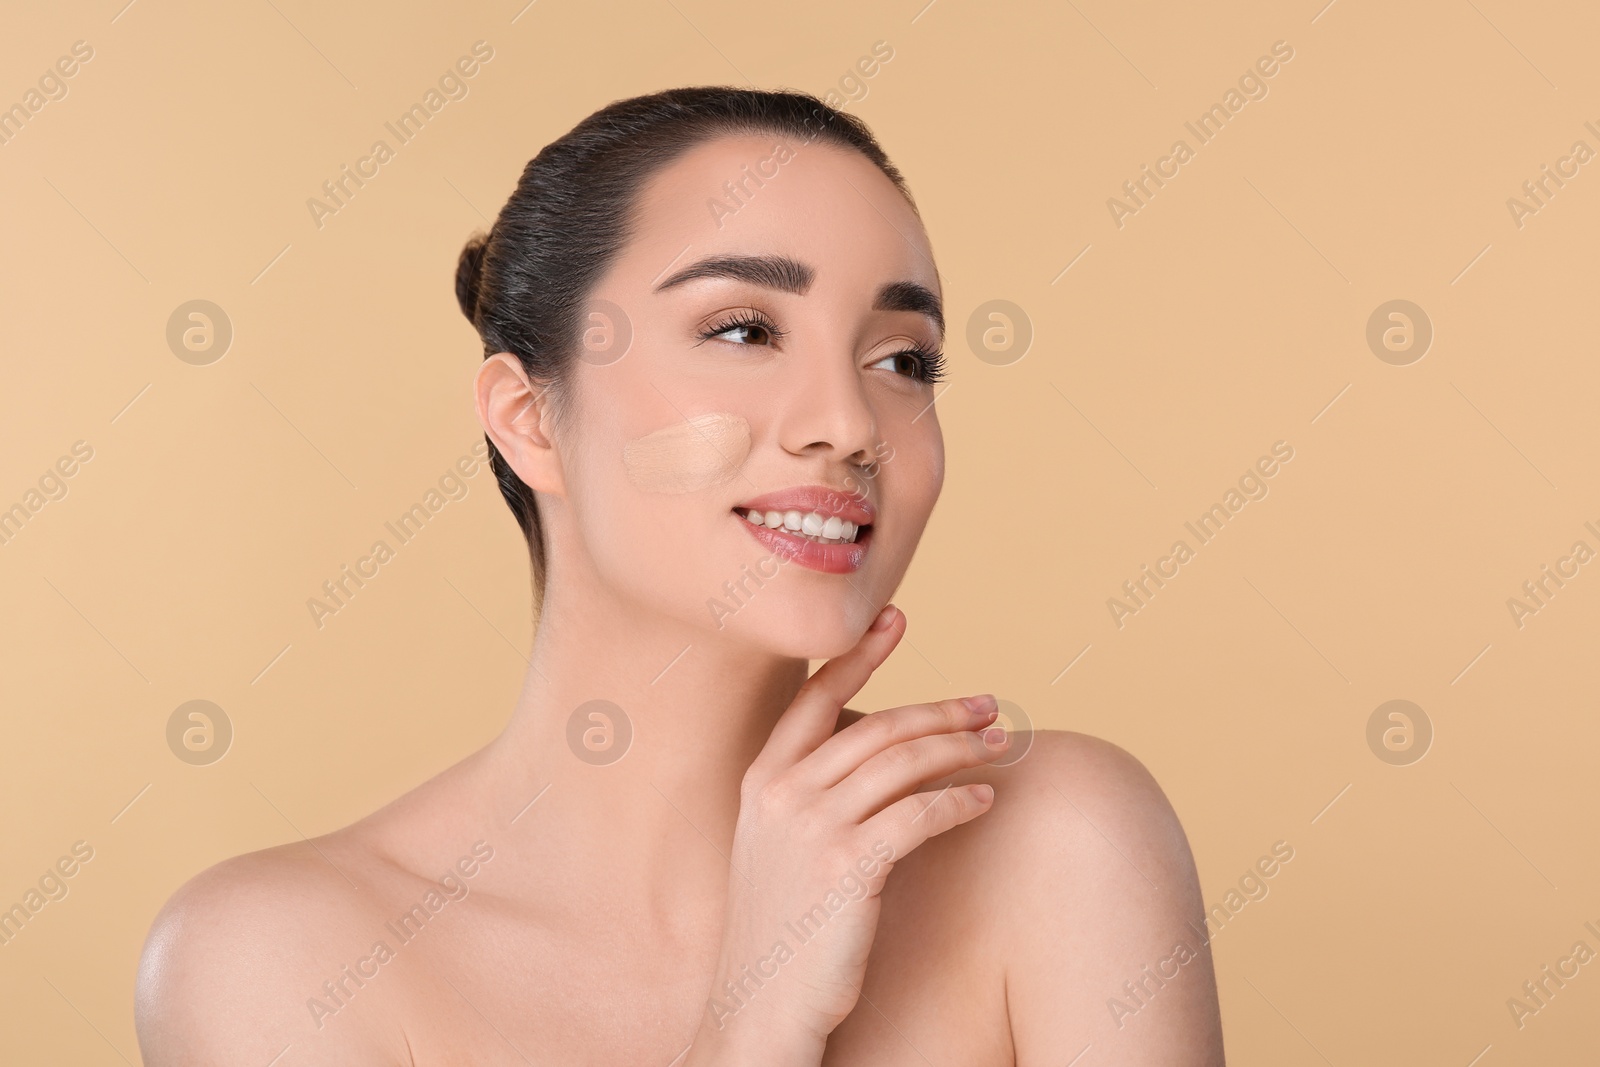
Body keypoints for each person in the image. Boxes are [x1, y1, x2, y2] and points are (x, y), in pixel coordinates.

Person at [135, 86, 1224, 1066]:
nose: (847, 424)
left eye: (902, 359)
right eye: (745, 328)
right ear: (530, 421)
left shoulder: (1054, 842)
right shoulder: (279, 961)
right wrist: (751, 1023)